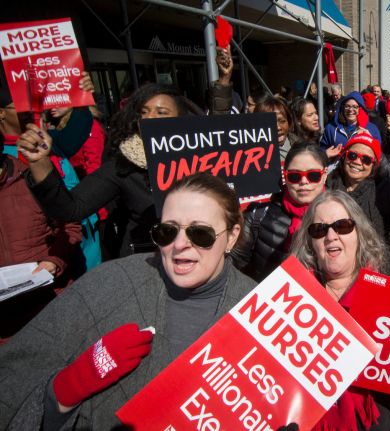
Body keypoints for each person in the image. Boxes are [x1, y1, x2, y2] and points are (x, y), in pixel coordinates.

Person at [0, 172, 252, 429]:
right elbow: (13, 383)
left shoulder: (258, 311)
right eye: (167, 231)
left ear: (231, 236)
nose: (179, 244)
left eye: (200, 233)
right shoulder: (108, 284)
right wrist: (65, 391)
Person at [17, 83, 202, 258]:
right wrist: (40, 162)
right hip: (146, 262)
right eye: (143, 112)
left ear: (181, 120)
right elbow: (71, 208)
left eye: (161, 112)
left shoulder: (203, 159)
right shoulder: (123, 165)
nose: (149, 118)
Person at [291, 190, 390, 430]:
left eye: (342, 226)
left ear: (359, 232)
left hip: (375, 419)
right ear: (309, 242)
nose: (331, 236)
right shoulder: (293, 293)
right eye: (319, 230)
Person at [0, 150, 84, 342]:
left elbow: (70, 225)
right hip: (5, 326)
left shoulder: (30, 180)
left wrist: (53, 261)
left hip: (49, 304)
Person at [232, 143, 328, 281]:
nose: (304, 182)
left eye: (313, 175)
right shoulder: (258, 215)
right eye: (295, 176)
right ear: (285, 176)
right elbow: (233, 267)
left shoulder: (341, 217)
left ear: (324, 175)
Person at [326, 134, 385, 232]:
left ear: (373, 166)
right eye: (352, 155)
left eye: (366, 159)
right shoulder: (326, 184)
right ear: (344, 157)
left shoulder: (380, 194)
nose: (357, 162)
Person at [320, 91, 382, 159]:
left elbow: (379, 154)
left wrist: (371, 141)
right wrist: (325, 155)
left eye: (355, 107)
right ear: (342, 108)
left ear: (360, 109)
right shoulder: (331, 128)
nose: (350, 109)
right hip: (336, 168)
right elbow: (322, 150)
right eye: (347, 106)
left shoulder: (372, 129)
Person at [253, 95, 297, 161]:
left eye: (282, 121)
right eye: (270, 123)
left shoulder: (302, 149)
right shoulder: (252, 157)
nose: (278, 127)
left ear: (289, 122)